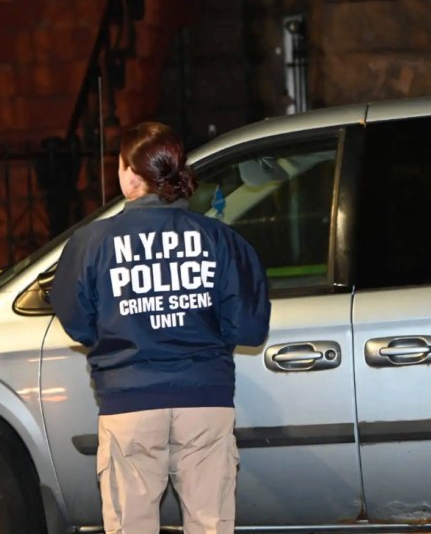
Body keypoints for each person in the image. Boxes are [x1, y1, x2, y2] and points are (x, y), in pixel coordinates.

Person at [52, 121, 271, 534]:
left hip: (129, 402)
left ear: (130, 173)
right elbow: (249, 326)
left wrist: (122, 339)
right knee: (211, 525)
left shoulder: (92, 242)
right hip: (205, 398)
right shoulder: (220, 239)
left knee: (131, 526)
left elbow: (77, 323)